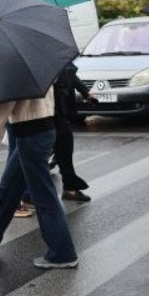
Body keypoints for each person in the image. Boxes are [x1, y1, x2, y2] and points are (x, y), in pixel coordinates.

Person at [0, 86, 79, 269]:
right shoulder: (36, 64)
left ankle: (63, 254)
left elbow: (5, 103)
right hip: (36, 132)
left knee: (44, 196)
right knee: (9, 186)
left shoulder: (15, 70)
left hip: (32, 135)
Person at [52, 61, 97, 201]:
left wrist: (86, 92)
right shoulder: (34, 60)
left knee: (65, 148)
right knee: (24, 161)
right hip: (43, 114)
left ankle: (70, 187)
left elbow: (70, 73)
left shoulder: (56, 57)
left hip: (59, 112)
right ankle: (22, 196)